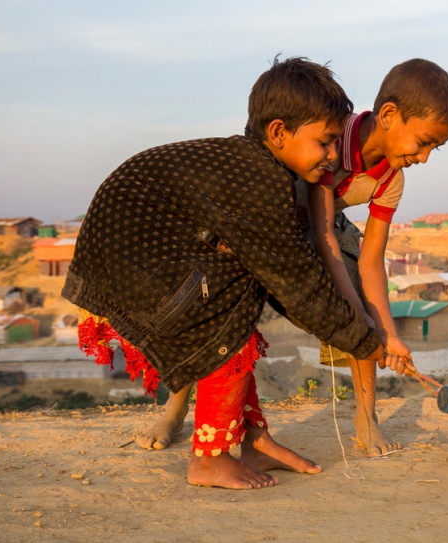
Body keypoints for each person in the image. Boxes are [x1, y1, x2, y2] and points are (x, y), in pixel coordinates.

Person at [64, 57, 385, 490]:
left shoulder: (246, 162)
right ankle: (210, 458)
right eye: (325, 142)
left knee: (239, 286)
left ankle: (254, 439)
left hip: (123, 266)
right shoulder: (259, 183)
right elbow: (298, 287)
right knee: (229, 306)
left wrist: (354, 333)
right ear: (278, 132)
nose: (333, 156)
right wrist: (364, 341)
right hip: (127, 273)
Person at [296, 58, 448, 457]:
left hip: (329, 227)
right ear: (389, 115)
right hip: (286, 219)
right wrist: (366, 326)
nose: (423, 157)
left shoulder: (391, 179)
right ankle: (178, 407)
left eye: (433, 149)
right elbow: (324, 241)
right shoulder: (331, 139)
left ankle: (366, 418)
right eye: (423, 142)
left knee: (365, 304)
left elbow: (371, 260)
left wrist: (387, 333)